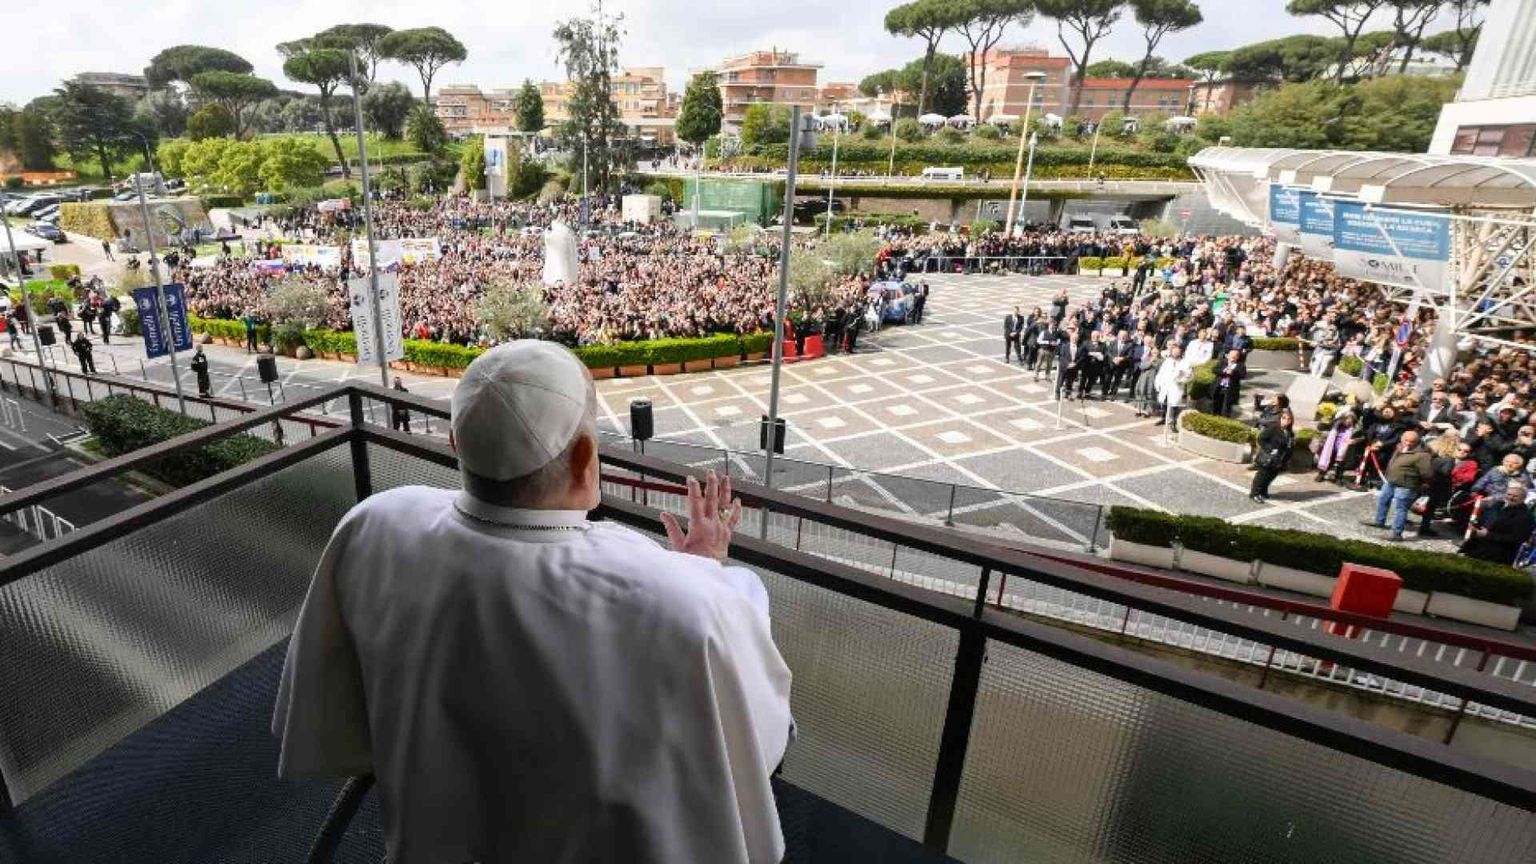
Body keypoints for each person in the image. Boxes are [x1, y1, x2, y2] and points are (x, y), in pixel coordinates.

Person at [273, 341, 793, 864]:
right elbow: (757, 738)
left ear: (456, 441)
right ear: (586, 458)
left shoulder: (377, 522)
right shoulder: (681, 599)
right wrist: (704, 565)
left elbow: (342, 699)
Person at [1364, 429, 1432, 541]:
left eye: (1412, 441)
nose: (1408, 443)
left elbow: (1427, 473)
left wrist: (1422, 483)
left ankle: (1397, 533)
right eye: (1406, 440)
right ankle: (1379, 521)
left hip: (1406, 485)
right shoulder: (1400, 447)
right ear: (1402, 439)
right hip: (1391, 481)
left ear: (1417, 442)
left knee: (1401, 508)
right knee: (1383, 499)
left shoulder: (1422, 455)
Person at [1461, 481, 1534, 564]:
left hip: (1497, 556)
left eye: (1515, 496)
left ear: (1523, 498)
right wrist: (1475, 526)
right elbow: (1485, 519)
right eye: (1509, 494)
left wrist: (1487, 535)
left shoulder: (1525, 517)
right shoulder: (1498, 505)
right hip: (1477, 548)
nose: (1510, 498)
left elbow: (1517, 539)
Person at [1250, 407, 1295, 503]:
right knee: (1262, 475)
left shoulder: (1289, 432)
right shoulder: (1274, 427)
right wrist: (1269, 449)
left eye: (1288, 419)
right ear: (1280, 418)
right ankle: (1254, 493)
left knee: (1271, 476)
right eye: (1284, 418)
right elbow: (1261, 438)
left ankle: (1263, 491)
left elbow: (1289, 445)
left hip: (1279, 460)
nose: (1286, 421)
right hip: (1269, 457)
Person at [1153, 344, 1191, 426]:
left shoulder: (1185, 363)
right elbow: (1161, 373)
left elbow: (1189, 376)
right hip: (1165, 386)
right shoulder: (1167, 361)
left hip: (1176, 387)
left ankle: (1174, 422)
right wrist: (1158, 382)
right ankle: (1163, 418)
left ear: (1180, 353)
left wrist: (1181, 380)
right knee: (1164, 402)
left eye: (1177, 352)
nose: (1175, 354)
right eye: (1173, 352)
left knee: (1174, 405)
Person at [1211, 349, 1246, 418]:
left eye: (1235, 356)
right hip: (1219, 387)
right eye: (1231, 355)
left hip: (1230, 389)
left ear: (1237, 357)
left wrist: (1233, 373)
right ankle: (1215, 417)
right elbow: (1214, 370)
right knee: (1216, 404)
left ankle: (1225, 419)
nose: (1232, 357)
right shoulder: (1223, 362)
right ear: (1228, 356)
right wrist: (1223, 371)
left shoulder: (1240, 365)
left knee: (1226, 407)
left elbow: (1243, 375)